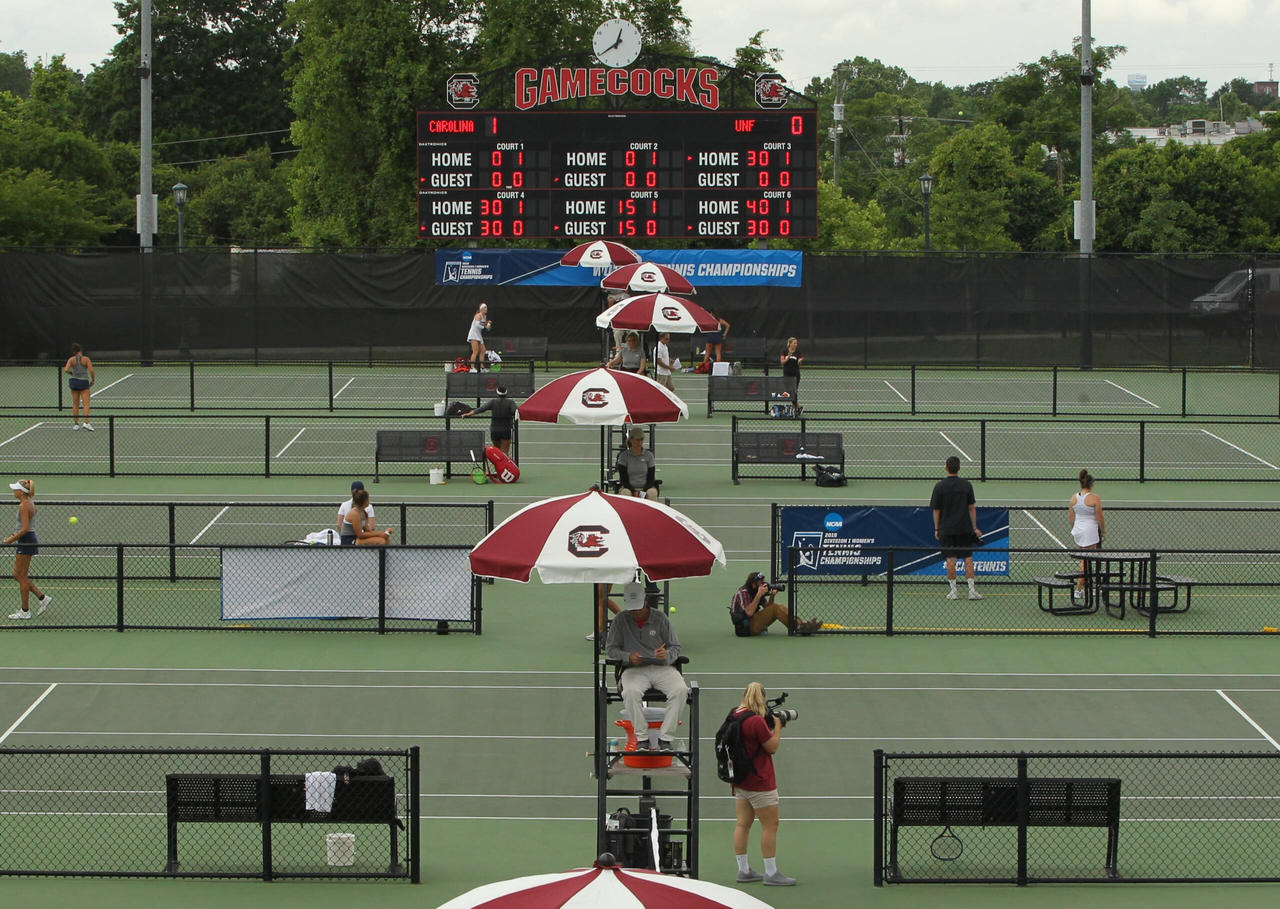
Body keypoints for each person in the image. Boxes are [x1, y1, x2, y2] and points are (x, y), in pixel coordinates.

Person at [605, 582, 687, 751]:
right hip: (633, 670)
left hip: (663, 668)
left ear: (646, 600)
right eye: (633, 609)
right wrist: (628, 657)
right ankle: (641, 737)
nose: (637, 613)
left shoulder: (660, 618)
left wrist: (666, 656)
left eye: (640, 608)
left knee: (680, 690)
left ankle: (665, 738)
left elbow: (675, 647)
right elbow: (610, 649)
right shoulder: (620, 620)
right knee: (630, 692)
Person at [728, 682, 795, 886]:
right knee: (770, 825)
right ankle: (771, 873)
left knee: (742, 824)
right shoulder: (756, 721)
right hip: (760, 781)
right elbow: (772, 747)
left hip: (740, 780)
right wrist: (777, 727)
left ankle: (743, 869)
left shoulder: (735, 714)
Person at [930, 456, 983, 600]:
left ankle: (954, 592)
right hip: (964, 528)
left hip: (947, 529)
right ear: (959, 468)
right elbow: (971, 508)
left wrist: (937, 529)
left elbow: (936, 510)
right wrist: (974, 527)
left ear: (946, 467)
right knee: (968, 558)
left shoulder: (940, 486)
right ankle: (972, 591)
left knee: (950, 559)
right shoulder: (966, 485)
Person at [5, 480, 52, 620]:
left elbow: (25, 528)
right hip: (26, 540)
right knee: (17, 574)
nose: (13, 491)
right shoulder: (28, 503)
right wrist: (14, 537)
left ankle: (25, 611)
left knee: (20, 576)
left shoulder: (24, 505)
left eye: (15, 489)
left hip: (26, 541)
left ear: (21, 492)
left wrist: (10, 540)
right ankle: (42, 598)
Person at [729, 572, 821, 636]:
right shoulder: (743, 592)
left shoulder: (756, 591)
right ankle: (799, 628)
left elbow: (767, 607)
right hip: (746, 627)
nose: (763, 584)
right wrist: (759, 594)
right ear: (753, 584)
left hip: (752, 622)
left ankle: (802, 625)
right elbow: (748, 612)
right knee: (776, 608)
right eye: (760, 582)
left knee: (779, 606)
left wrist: (772, 595)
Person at [1069, 469, 1106, 601]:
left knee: (1087, 560)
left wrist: (1076, 529)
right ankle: (1079, 589)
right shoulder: (1094, 498)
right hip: (1089, 532)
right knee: (1086, 562)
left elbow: (1071, 517)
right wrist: (1103, 531)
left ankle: (1094, 586)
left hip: (1078, 531)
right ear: (1091, 484)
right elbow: (1100, 517)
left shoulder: (1074, 498)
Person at [461, 385, 517, 457]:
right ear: (506, 394)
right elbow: (515, 411)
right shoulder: (510, 402)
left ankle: (497, 467)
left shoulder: (492, 402)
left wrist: (468, 414)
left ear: (497, 394)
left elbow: (480, 409)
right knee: (505, 452)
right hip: (506, 430)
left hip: (495, 430)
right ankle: (505, 467)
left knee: (497, 452)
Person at [615, 425, 658, 499]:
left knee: (652, 494)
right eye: (637, 439)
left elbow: (651, 478)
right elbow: (623, 479)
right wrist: (633, 491)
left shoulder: (649, 456)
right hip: (628, 488)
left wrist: (643, 491)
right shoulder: (624, 456)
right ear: (631, 439)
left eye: (641, 439)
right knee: (625, 494)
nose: (640, 442)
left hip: (647, 488)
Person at [63, 343, 96, 430]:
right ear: (80, 350)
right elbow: (92, 371)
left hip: (74, 382)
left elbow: (66, 369)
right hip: (83, 382)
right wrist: (93, 380)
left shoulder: (71, 360)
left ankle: (76, 424)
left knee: (75, 403)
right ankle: (86, 422)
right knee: (86, 403)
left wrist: (71, 373)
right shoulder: (86, 359)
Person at [467, 303, 491, 371]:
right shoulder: (478, 315)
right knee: (475, 351)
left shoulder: (485, 316)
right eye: (484, 308)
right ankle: (472, 368)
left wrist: (488, 325)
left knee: (483, 350)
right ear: (481, 309)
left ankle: (482, 367)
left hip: (478, 335)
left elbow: (486, 325)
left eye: (486, 307)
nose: (486, 309)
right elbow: (477, 325)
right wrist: (485, 327)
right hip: (473, 334)